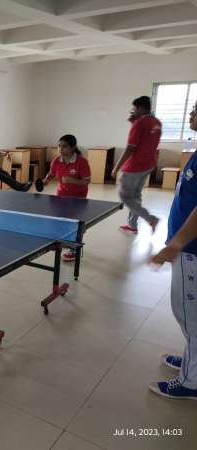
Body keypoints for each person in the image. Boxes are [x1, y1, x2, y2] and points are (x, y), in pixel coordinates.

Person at [149, 100, 197, 400]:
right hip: (187, 248)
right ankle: (192, 360)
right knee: (188, 314)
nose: (191, 114)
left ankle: (191, 382)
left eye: (196, 110)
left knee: (190, 315)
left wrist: (176, 245)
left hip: (192, 250)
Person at [112, 96, 161, 234]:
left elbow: (130, 148)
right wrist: (134, 121)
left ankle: (151, 219)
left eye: (134, 108)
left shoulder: (139, 123)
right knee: (135, 196)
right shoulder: (156, 122)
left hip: (135, 166)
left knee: (125, 196)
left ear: (139, 108)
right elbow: (146, 138)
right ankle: (132, 225)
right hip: (149, 164)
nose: (132, 111)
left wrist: (117, 167)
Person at [41, 135, 91, 262]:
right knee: (61, 221)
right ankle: (62, 242)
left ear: (73, 147)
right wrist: (46, 180)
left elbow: (86, 181)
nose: (60, 149)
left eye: (64, 146)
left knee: (75, 224)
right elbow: (51, 173)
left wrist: (72, 180)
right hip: (61, 196)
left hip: (78, 198)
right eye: (59, 146)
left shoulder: (81, 162)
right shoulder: (56, 161)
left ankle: (75, 249)